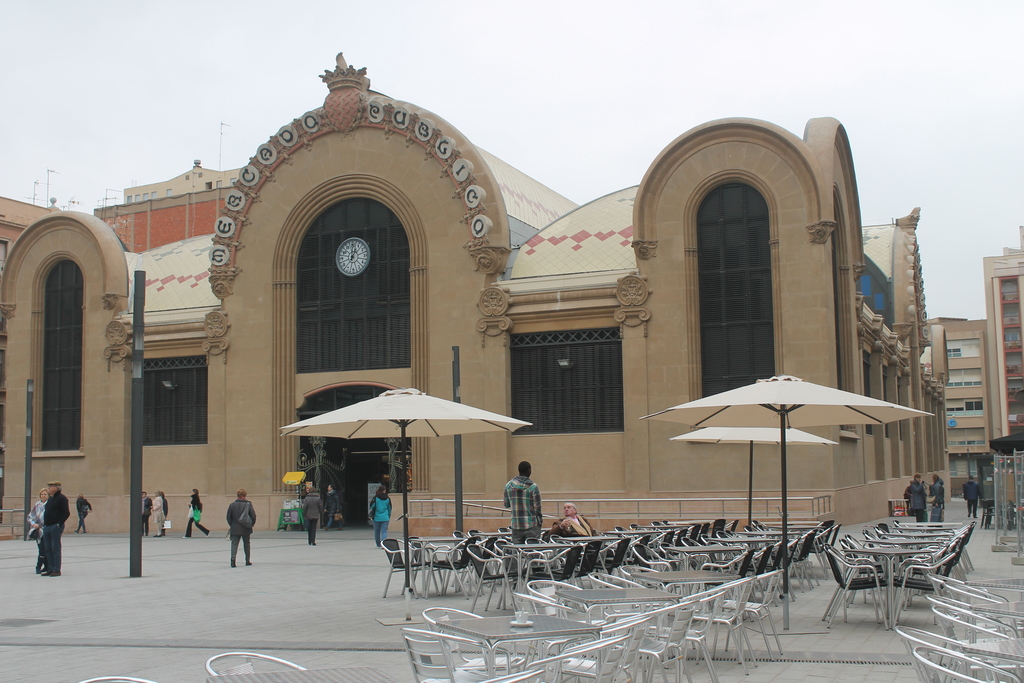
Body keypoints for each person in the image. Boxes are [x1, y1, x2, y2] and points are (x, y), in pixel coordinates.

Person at [504, 461, 542, 543]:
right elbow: (538, 508)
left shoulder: (508, 486)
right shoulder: (533, 487)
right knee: (533, 552)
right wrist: (539, 522)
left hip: (516, 524)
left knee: (518, 553)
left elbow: (506, 504)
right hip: (531, 525)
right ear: (529, 471)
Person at [41, 480, 70, 576]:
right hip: (47, 526)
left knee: (55, 548)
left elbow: (66, 512)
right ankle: (50, 568)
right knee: (48, 548)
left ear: (57, 488)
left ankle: (57, 569)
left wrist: (59, 524)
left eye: (51, 486)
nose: (49, 488)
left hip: (55, 526)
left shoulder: (62, 498)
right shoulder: (51, 499)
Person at [226, 488, 256, 567]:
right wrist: (251, 524)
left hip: (235, 527)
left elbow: (228, 517)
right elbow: (253, 515)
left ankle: (233, 560)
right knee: (246, 544)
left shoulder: (232, 505)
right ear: (245, 495)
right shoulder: (248, 504)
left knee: (234, 544)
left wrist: (232, 524)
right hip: (246, 527)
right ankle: (247, 560)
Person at [27, 488, 49, 574]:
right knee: (41, 549)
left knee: (46, 549)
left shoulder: (50, 504)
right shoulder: (37, 505)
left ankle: (45, 566)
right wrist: (33, 524)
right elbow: (30, 517)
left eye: (45, 494)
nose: (43, 496)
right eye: (42, 494)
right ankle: (40, 566)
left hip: (47, 529)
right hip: (38, 530)